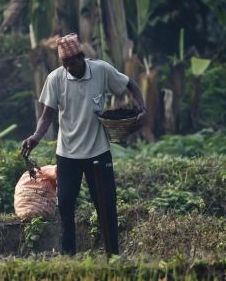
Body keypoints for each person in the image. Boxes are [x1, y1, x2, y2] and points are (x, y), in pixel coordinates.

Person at [20, 33, 147, 256]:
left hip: (98, 151)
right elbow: (46, 116)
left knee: (106, 205)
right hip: (68, 154)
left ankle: (112, 256)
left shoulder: (101, 70)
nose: (69, 67)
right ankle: (68, 256)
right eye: (64, 63)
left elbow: (130, 85)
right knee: (66, 205)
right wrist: (35, 137)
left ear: (81, 56)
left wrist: (142, 108)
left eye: (72, 62)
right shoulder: (55, 79)